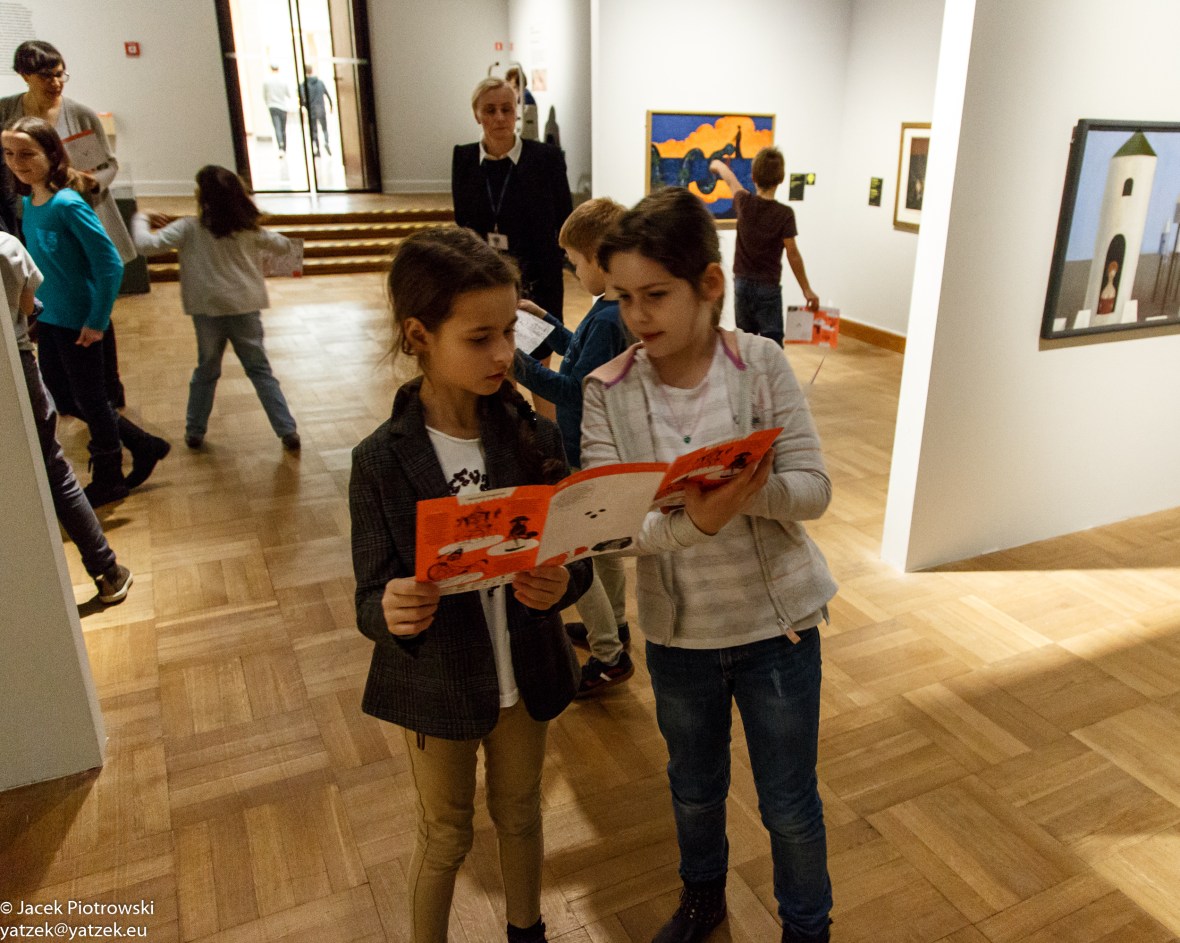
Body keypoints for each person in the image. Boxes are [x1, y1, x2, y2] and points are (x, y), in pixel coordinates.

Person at [582, 187, 837, 943]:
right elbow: (609, 532)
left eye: (656, 294)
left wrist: (746, 494)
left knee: (789, 802)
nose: (637, 315)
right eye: (623, 297)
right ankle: (703, 901)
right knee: (694, 790)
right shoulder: (606, 391)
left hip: (778, 631)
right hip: (679, 637)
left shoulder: (760, 364)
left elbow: (815, 490)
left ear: (710, 284)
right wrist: (698, 521)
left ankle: (807, 929)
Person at [349, 226, 591, 943]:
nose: (503, 353)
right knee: (445, 833)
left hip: (526, 671)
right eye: (479, 337)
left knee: (521, 812)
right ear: (419, 335)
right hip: (440, 682)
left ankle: (528, 931)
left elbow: (574, 558)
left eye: (510, 330)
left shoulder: (534, 435)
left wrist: (561, 583)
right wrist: (391, 608)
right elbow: (368, 597)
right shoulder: (381, 460)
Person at [2, 116, 170, 507]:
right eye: (8, 153)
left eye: (26, 154)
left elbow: (109, 263)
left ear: (51, 154)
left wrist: (96, 322)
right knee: (63, 397)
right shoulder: (30, 202)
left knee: (92, 400)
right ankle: (143, 444)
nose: (16, 162)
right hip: (51, 319)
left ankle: (110, 476)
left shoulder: (67, 204)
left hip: (81, 323)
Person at [512, 197, 634, 695]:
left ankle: (609, 655)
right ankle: (616, 626)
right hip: (601, 450)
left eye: (576, 262)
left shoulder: (607, 318)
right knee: (604, 547)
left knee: (575, 553)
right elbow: (580, 356)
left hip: (585, 452)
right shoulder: (612, 308)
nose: (573, 270)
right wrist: (545, 321)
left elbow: (573, 389)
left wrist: (517, 363)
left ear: (599, 258)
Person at [1, 39, 138, 412]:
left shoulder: (80, 114)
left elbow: (108, 164)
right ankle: (74, 394)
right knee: (56, 306)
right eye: (47, 76)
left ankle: (107, 392)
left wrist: (92, 183)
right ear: (24, 75)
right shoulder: (6, 111)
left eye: (61, 74)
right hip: (37, 216)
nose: (57, 83)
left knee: (95, 305)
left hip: (79, 213)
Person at [130, 165, 300, 451]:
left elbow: (146, 245)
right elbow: (284, 246)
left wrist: (141, 217)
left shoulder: (189, 228)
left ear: (203, 197)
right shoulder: (248, 230)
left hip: (207, 311)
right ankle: (287, 430)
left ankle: (194, 431)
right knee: (260, 371)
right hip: (245, 308)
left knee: (206, 370)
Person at [1, 230, 132, 603]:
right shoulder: (7, 247)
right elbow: (28, 306)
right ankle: (106, 571)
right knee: (52, 469)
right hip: (16, 366)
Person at [451, 77, 571, 369]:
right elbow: (463, 221)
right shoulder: (464, 158)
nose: (499, 117)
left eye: (506, 109)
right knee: (494, 355)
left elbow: (564, 217)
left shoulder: (546, 158)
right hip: (486, 276)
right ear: (477, 115)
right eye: (490, 110)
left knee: (538, 362)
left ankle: (538, 403)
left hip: (539, 277)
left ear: (517, 111)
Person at [710, 148, 818, 347]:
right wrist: (806, 289)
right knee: (772, 343)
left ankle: (747, 369)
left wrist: (716, 164)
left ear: (753, 177)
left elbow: (730, 179)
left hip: (742, 284)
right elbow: (792, 253)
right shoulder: (785, 214)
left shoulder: (744, 202)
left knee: (744, 343)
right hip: (768, 287)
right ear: (781, 179)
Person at [298, 64, 333, 158]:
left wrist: (305, 107)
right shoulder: (320, 82)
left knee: (314, 131)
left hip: (311, 110)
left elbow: (302, 99)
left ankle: (317, 149)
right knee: (324, 128)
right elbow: (327, 95)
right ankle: (326, 142)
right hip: (321, 108)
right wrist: (331, 105)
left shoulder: (303, 85)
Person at [262, 65, 292, 157]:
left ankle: (280, 147)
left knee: (277, 128)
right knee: (283, 129)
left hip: (272, 106)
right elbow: (288, 94)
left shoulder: (266, 81)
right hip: (282, 107)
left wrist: (268, 103)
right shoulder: (283, 80)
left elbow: (264, 95)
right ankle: (284, 148)